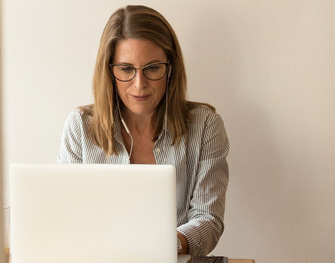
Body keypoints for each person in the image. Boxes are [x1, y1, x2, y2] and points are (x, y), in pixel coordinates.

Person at [58, 5, 229, 261]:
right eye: (126, 69)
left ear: (170, 67)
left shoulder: (205, 126)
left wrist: (166, 244)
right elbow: (67, 217)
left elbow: (209, 219)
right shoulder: (80, 127)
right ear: (109, 71)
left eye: (152, 68)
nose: (139, 84)